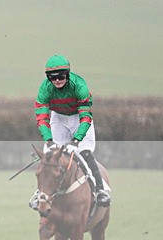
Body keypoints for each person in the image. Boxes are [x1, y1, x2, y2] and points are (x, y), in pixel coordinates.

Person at [30, 54, 111, 208]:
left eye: (61, 76)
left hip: (79, 118)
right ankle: (40, 193)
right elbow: (42, 117)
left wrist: (76, 140)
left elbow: (85, 117)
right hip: (58, 118)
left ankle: (100, 190)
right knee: (49, 156)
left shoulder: (79, 85)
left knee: (84, 152)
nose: (57, 80)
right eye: (52, 78)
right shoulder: (44, 89)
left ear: (67, 74)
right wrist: (49, 140)